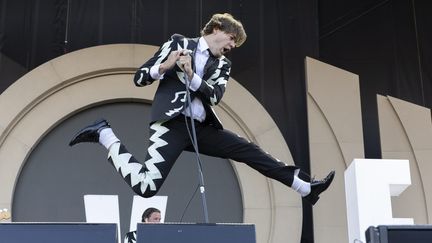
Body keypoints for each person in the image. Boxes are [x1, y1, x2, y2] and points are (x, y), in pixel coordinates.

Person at [69, 13, 334, 206]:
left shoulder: (222, 65)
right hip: (171, 125)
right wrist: (164, 67)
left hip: (201, 128)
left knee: (249, 150)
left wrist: (192, 75)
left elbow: (215, 96)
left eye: (234, 45)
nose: (231, 46)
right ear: (216, 28)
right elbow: (139, 78)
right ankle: (104, 135)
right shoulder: (177, 45)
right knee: (146, 187)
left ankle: (305, 187)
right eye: (231, 39)